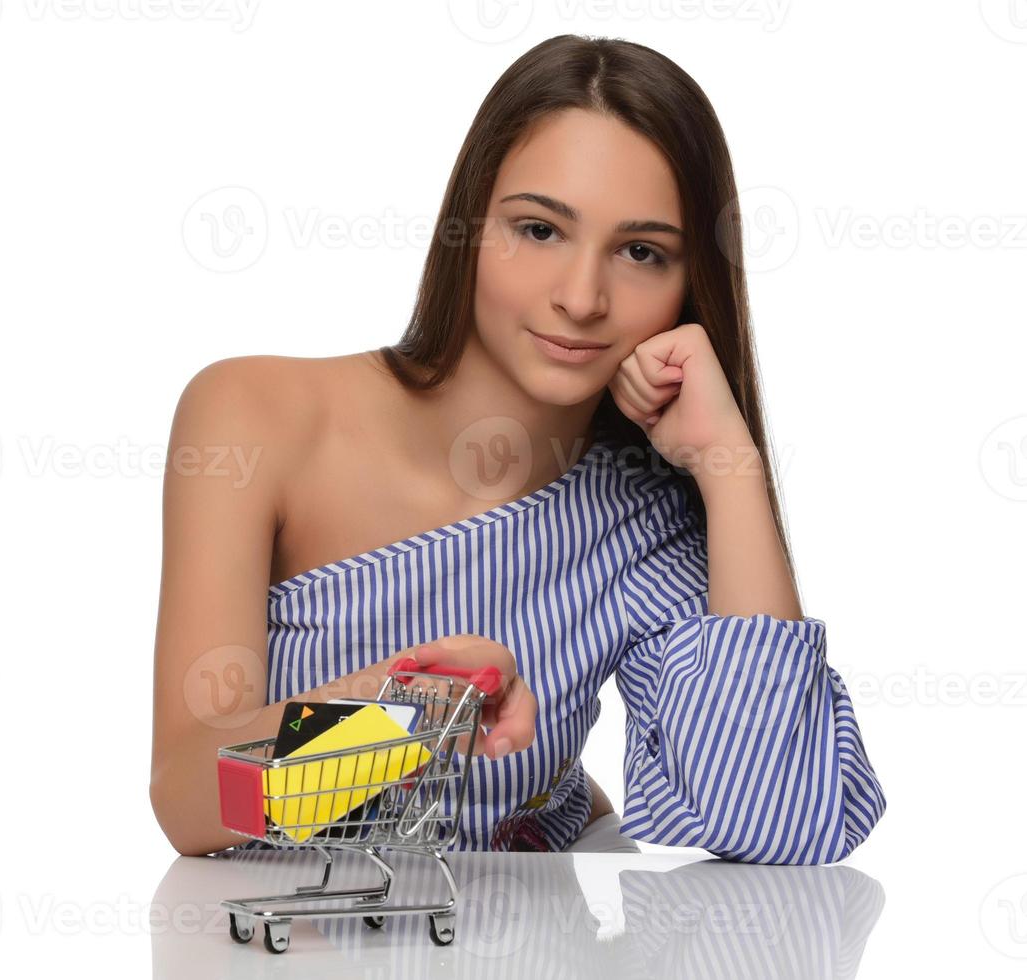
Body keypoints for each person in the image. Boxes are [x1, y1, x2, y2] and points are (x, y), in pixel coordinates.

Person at [149, 34, 885, 864]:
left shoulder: (644, 513)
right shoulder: (252, 414)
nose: (581, 298)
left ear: (690, 284)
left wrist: (730, 469)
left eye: (642, 252)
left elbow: (774, 819)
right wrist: (416, 711)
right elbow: (189, 796)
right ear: (468, 226)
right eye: (539, 230)